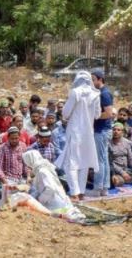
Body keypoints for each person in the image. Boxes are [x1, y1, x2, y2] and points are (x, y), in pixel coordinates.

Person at [55, 71, 100, 201]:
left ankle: (74, 192)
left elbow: (65, 113)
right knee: (84, 162)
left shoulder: (75, 92)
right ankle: (81, 192)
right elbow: (97, 115)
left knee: (71, 163)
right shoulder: (96, 94)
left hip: (75, 132)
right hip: (88, 133)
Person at [21, 150, 85, 221]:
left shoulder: (42, 171)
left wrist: (40, 200)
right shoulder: (44, 168)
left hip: (55, 203)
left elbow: (50, 189)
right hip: (58, 199)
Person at [91, 70, 114, 197]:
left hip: (101, 130)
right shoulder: (101, 93)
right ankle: (104, 188)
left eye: (93, 79)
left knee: (99, 160)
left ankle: (97, 188)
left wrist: (94, 116)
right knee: (103, 159)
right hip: (103, 130)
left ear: (100, 79)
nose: (92, 82)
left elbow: (109, 113)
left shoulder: (104, 94)